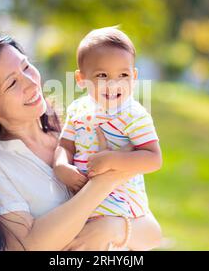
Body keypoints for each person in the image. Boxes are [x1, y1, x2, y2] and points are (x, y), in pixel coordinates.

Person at [0, 32, 162, 251]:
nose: (30, 83)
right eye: (12, 83)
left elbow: (153, 234)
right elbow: (26, 246)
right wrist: (103, 182)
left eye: (26, 67)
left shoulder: (82, 130)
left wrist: (112, 228)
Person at [53, 27, 162, 247]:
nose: (113, 84)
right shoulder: (78, 109)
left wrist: (111, 159)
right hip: (84, 204)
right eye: (102, 75)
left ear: (134, 77)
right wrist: (60, 165)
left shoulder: (134, 115)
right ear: (81, 79)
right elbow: (65, 145)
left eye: (123, 75)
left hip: (122, 208)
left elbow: (153, 159)